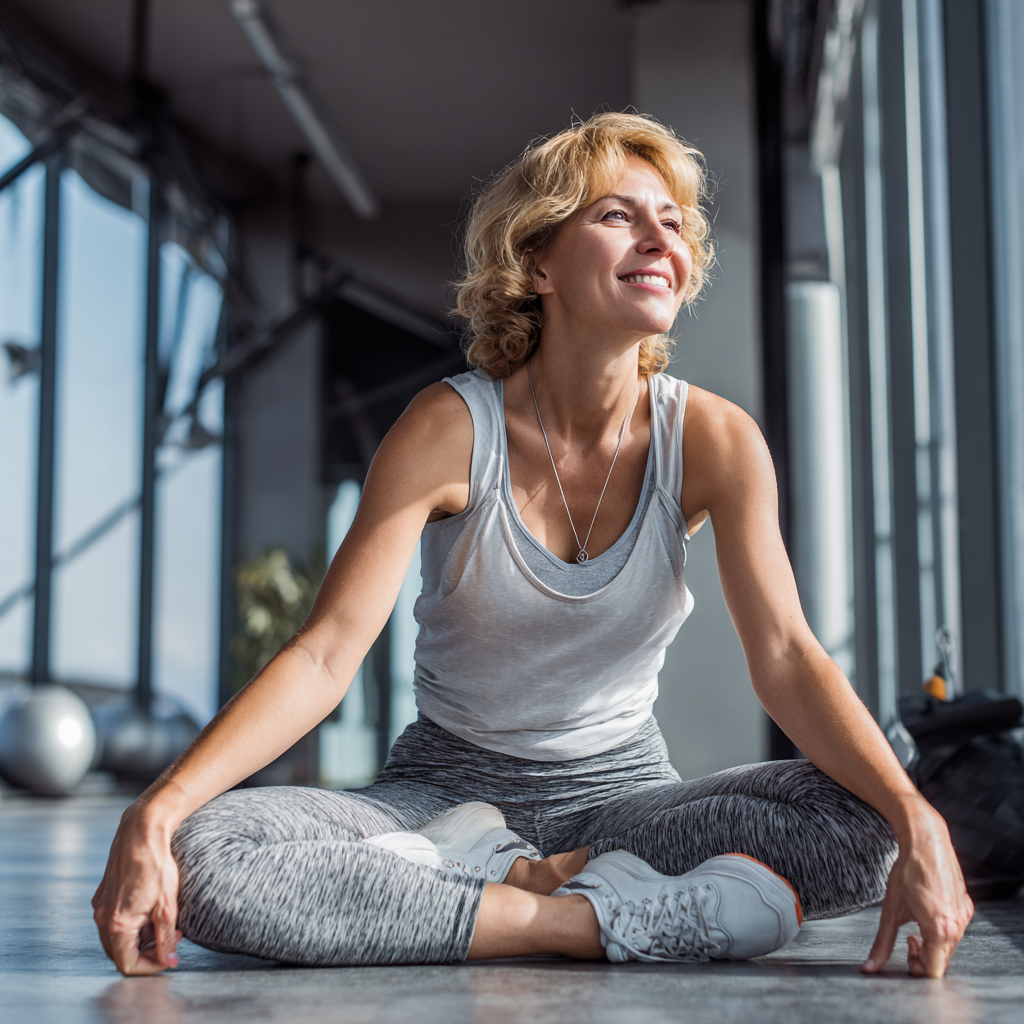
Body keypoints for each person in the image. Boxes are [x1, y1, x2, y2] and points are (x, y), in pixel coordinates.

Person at [92, 112, 973, 978]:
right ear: (537, 259)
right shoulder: (449, 428)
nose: (658, 238)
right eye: (618, 214)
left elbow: (785, 654)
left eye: (671, 222)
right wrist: (159, 809)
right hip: (441, 796)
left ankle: (504, 893)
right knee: (206, 854)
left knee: (865, 826)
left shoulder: (714, 439)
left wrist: (915, 816)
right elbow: (326, 658)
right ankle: (583, 919)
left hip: (626, 803)